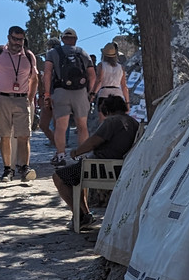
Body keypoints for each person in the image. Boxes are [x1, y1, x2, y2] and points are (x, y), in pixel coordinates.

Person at [52, 94, 138, 230]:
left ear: (107, 110)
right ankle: (85, 213)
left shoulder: (112, 121)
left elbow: (94, 141)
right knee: (78, 174)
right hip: (121, 167)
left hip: (102, 167)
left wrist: (77, 152)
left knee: (59, 177)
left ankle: (79, 214)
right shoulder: (133, 122)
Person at [0, 26, 38, 183]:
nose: (17, 43)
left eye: (21, 40)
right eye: (15, 39)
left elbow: (34, 78)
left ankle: (25, 167)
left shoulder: (29, 56)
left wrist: (30, 98)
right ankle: (8, 169)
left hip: (21, 99)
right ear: (8, 37)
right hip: (1, 98)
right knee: (4, 135)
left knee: (24, 135)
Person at [44, 28, 95, 167]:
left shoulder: (53, 53)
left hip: (61, 91)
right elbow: (92, 74)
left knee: (61, 126)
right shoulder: (82, 52)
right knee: (82, 126)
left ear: (62, 39)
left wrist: (47, 93)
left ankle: (60, 155)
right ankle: (82, 155)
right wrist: (91, 92)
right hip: (80, 92)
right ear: (75, 39)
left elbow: (47, 73)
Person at [38, 36, 61, 146]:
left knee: (57, 124)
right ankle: (55, 141)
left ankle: (59, 144)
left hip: (56, 94)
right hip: (49, 94)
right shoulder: (52, 57)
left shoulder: (54, 57)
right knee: (43, 124)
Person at [95, 42, 129, 111]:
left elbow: (99, 80)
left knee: (104, 120)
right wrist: (127, 102)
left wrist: (93, 93)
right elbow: (124, 86)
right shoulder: (121, 68)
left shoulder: (101, 65)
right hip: (118, 95)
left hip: (104, 94)